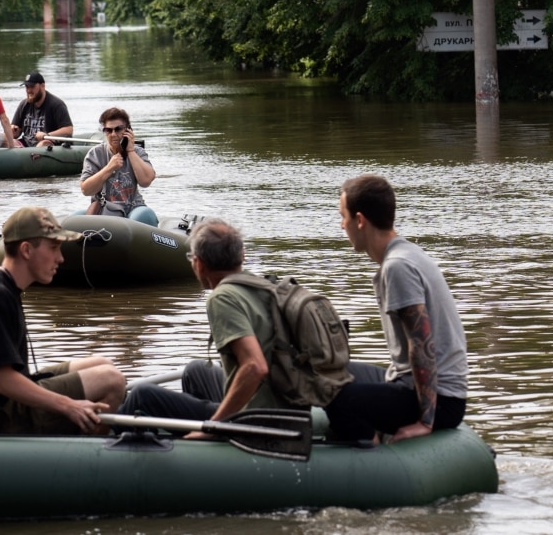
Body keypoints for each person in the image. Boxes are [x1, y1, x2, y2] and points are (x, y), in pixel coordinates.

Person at [0, 206, 127, 434]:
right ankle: (89, 458)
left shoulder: (0, 285)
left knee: (102, 364)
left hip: (2, 403)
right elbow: (0, 380)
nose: (60, 258)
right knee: (112, 381)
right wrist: (68, 405)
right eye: (53, 248)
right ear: (27, 250)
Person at [116, 219, 298, 437]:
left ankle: (101, 444)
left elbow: (255, 366)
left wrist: (213, 427)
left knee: (143, 395)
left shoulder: (222, 298)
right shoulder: (260, 284)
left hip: (257, 417)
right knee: (196, 370)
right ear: (242, 256)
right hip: (281, 401)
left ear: (199, 264)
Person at [323, 174, 469, 444]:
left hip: (441, 401)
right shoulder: (406, 253)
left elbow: (421, 344)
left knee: (336, 400)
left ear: (359, 220)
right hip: (415, 385)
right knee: (327, 374)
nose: (341, 225)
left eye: (342, 216)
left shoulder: (398, 266)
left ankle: (377, 457)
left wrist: (426, 421)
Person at [78, 107, 158, 226]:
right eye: (108, 130)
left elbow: (146, 181)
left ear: (127, 130)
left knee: (144, 214)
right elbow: (86, 190)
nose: (113, 134)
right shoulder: (95, 154)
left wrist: (130, 151)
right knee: (74, 218)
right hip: (105, 210)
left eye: (118, 129)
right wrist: (109, 168)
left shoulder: (138, 152)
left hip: (133, 208)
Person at [10, 71, 74, 147]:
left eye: (32, 87)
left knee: (43, 144)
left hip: (49, 144)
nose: (29, 90)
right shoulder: (24, 105)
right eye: (27, 87)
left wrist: (47, 135)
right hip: (27, 144)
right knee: (9, 142)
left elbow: (69, 130)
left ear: (42, 86)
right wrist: (13, 131)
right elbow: (16, 132)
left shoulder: (56, 104)